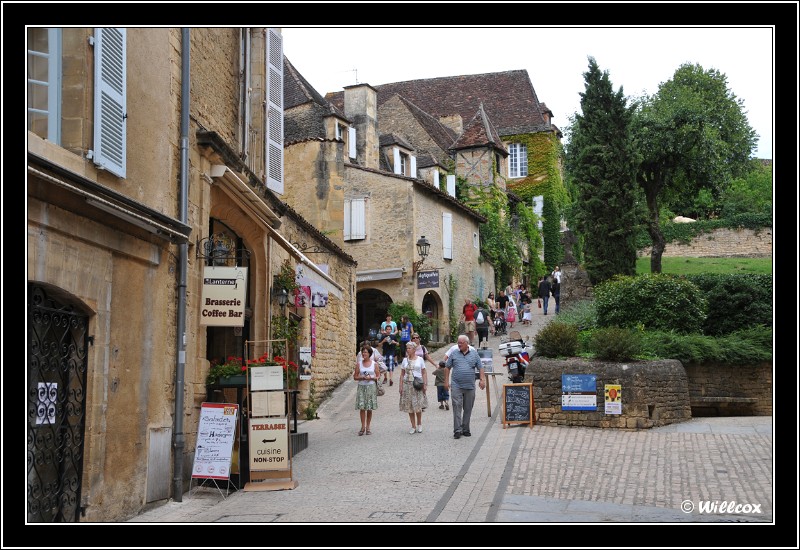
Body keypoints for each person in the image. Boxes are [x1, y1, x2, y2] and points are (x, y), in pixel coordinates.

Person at [445, 335, 485, 439]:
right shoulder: (454, 353)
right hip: (456, 385)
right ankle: (457, 430)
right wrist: (446, 381)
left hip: (470, 386)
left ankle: (466, 428)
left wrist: (482, 380)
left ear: (467, 344)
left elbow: (480, 367)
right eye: (458, 342)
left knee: (468, 408)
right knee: (456, 406)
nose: (459, 344)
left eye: (461, 343)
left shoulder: (474, 354)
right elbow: (447, 367)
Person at [399, 341, 428, 434]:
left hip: (417, 384)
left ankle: (419, 424)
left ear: (414, 349)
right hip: (407, 385)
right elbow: (402, 374)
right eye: (407, 348)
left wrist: (425, 384)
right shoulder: (404, 360)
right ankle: (413, 425)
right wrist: (400, 386)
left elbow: (424, 372)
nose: (407, 350)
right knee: (409, 406)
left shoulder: (420, 359)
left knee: (418, 405)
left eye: (409, 348)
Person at [354, 344, 379, 436]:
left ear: (369, 354)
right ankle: (362, 427)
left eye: (365, 352)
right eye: (362, 352)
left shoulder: (374, 364)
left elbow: (378, 375)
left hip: (371, 387)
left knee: (369, 408)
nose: (363, 354)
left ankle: (368, 427)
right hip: (361, 387)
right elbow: (355, 377)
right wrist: (361, 377)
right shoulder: (359, 364)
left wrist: (371, 378)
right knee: (362, 407)